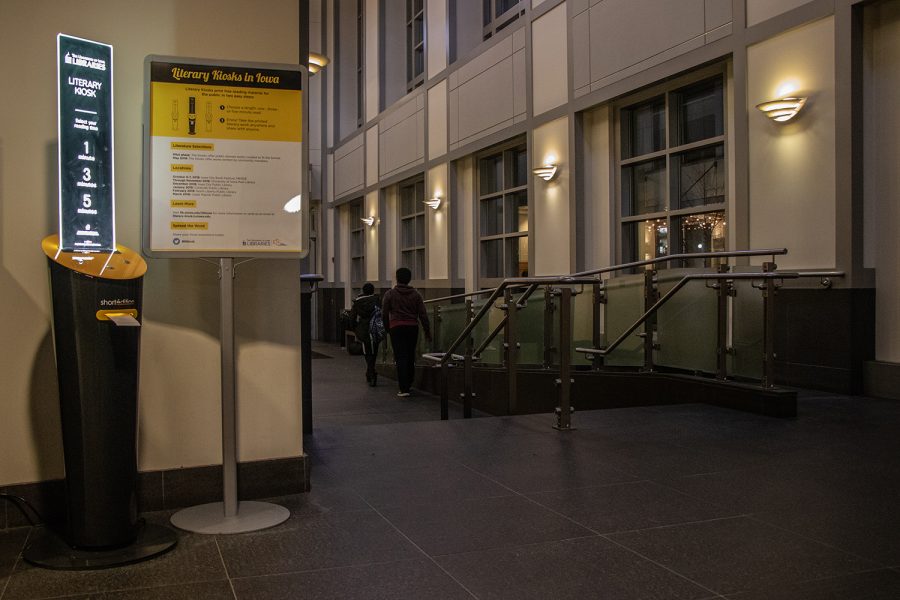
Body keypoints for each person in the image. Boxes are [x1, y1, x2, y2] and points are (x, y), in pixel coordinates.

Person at [381, 267, 431, 397]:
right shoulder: (416, 294)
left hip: (396, 327)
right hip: (412, 327)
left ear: (397, 278)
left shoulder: (390, 294)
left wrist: (387, 328)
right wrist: (427, 331)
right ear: (409, 279)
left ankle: (403, 388)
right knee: (410, 355)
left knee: (400, 356)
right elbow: (423, 315)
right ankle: (409, 382)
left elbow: (384, 313)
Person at [348, 282, 381, 386]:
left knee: (367, 350)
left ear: (363, 291)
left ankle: (370, 371)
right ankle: (371, 371)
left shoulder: (358, 302)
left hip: (363, 328)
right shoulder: (377, 300)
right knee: (374, 349)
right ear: (372, 290)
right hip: (375, 327)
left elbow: (352, 318)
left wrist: (355, 328)